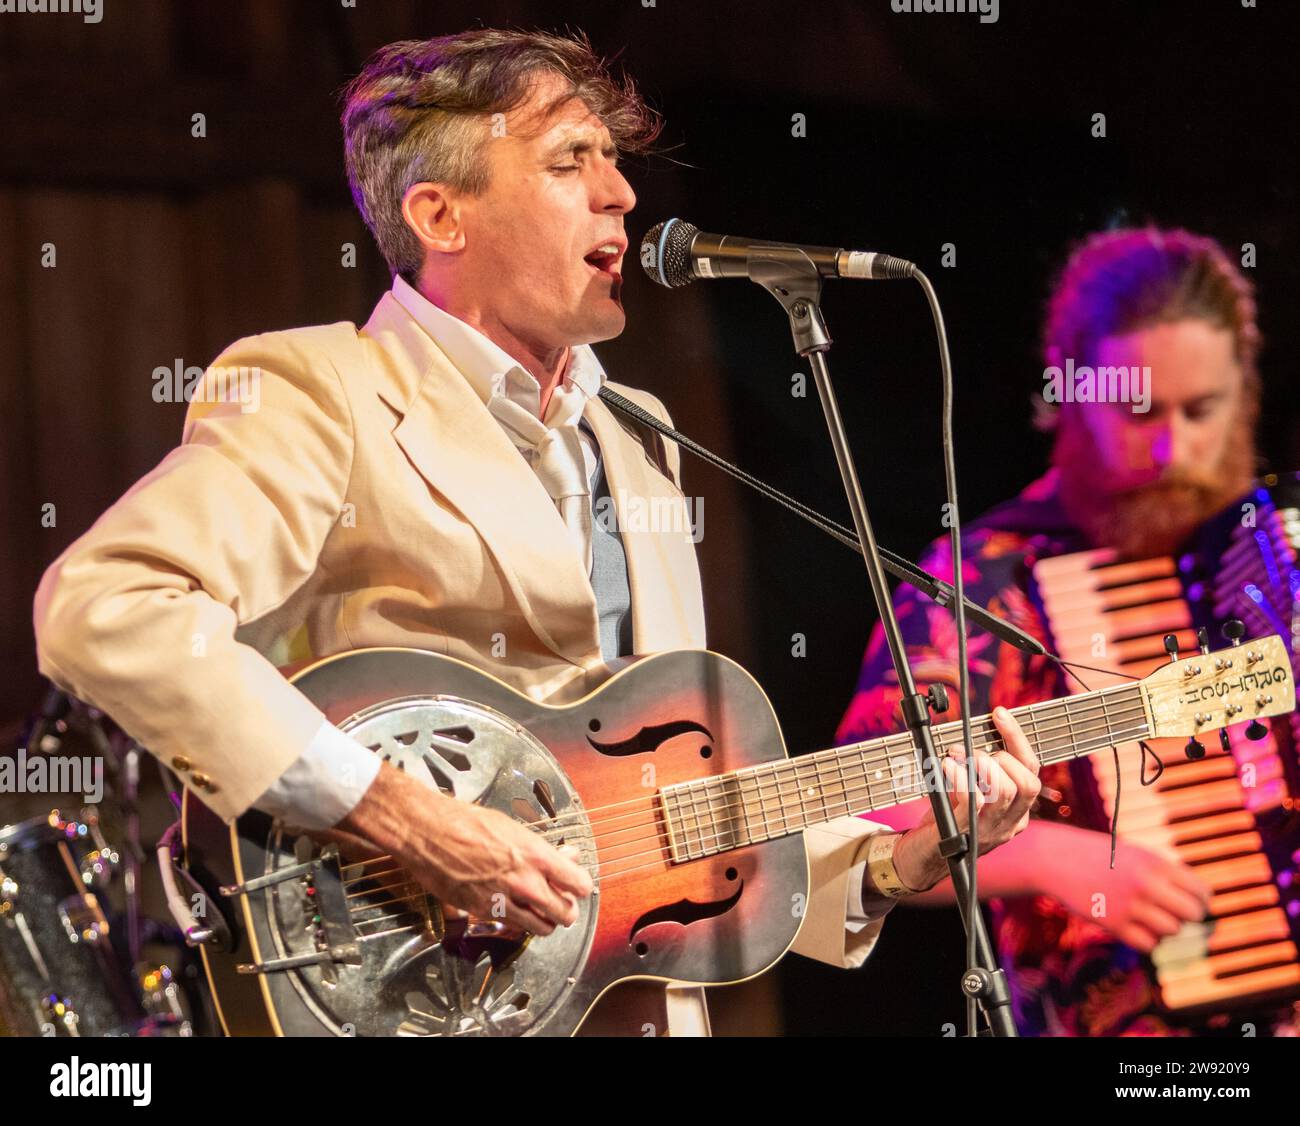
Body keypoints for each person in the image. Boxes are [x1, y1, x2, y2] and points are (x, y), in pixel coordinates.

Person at [32, 28, 1040, 1035]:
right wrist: (399, 814)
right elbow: (108, 607)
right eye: (571, 159)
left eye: (615, 159)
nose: (623, 195)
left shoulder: (639, 434)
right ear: (440, 213)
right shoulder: (324, 391)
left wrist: (891, 863)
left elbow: (653, 812)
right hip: (410, 999)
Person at [836, 225, 1287, 1035]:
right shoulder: (984, 580)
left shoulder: (1274, 548)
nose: (1169, 448)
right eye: (1138, 409)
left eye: (1202, 410)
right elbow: (866, 808)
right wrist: (1048, 855)